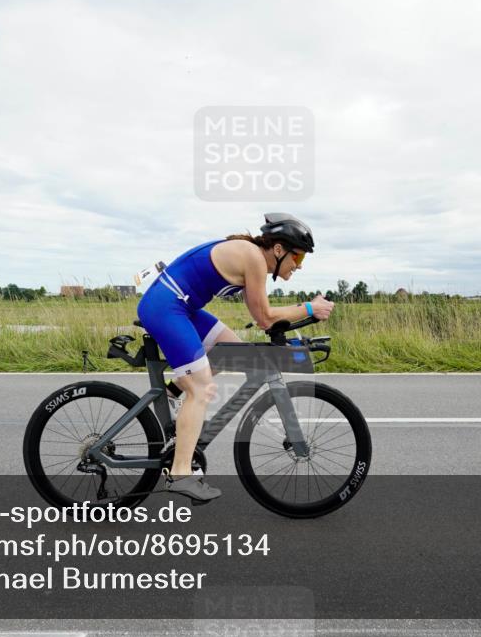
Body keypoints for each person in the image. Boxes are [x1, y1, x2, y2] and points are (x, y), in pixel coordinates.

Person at [136, 213, 334, 502]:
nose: (298, 266)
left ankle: (172, 392)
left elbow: (260, 312)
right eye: (298, 258)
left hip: (182, 305)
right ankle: (179, 473)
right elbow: (265, 317)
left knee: (233, 350)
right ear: (278, 250)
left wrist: (298, 313)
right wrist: (308, 308)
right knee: (201, 387)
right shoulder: (253, 257)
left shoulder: (251, 258)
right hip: (167, 307)